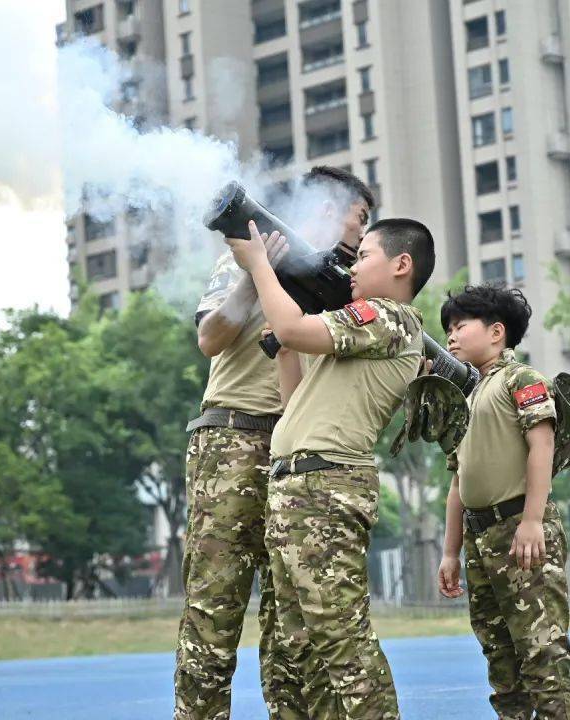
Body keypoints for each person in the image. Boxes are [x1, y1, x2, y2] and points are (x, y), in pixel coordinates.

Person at [174, 166, 376, 720]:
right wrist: (254, 272)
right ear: (326, 206)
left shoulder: (348, 292)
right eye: (359, 219)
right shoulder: (248, 258)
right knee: (214, 612)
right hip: (233, 440)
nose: (360, 234)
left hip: (299, 454)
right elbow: (209, 339)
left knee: (292, 626)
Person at [226, 216, 436, 719]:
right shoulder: (356, 331)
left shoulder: (390, 319)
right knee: (298, 651)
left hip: (326, 487)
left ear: (401, 265)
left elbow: (293, 326)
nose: (353, 267)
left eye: (365, 256)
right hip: (297, 485)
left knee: (341, 642)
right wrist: (283, 352)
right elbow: (296, 400)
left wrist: (259, 266)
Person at [436, 284, 570, 719]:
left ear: (497, 332)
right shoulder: (468, 394)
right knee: (501, 662)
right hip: (482, 539)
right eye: (448, 329)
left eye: (460, 326)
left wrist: (533, 521)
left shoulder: (523, 380)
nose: (451, 336)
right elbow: (460, 480)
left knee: (543, 656)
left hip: (520, 531)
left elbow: (543, 445)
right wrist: (450, 551)